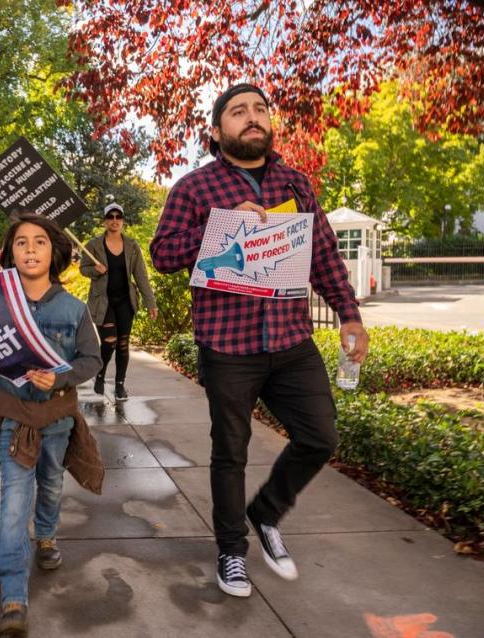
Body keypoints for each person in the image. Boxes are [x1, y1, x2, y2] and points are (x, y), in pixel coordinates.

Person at [150, 83, 369, 598]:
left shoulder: (297, 183)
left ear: (270, 123)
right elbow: (162, 255)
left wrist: (349, 315)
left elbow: (324, 256)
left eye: (260, 110)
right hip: (228, 346)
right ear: (216, 130)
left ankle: (265, 511)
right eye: (238, 111)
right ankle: (231, 552)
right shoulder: (195, 189)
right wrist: (221, 229)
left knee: (320, 437)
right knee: (231, 452)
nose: (252, 118)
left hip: (292, 341)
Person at [0, 214, 104, 638]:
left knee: (52, 484)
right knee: (13, 503)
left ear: (54, 252)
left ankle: (46, 536)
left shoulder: (74, 309)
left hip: (57, 419)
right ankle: (12, 596)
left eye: (39, 242)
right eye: (20, 243)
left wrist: (59, 377)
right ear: (9, 255)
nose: (30, 249)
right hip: (12, 419)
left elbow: (91, 360)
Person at [80, 201, 158, 400]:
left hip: (125, 301)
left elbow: (141, 276)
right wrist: (95, 271)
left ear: (122, 220)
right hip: (103, 302)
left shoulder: (132, 246)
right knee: (109, 343)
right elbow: (83, 268)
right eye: (111, 217)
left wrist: (151, 303)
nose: (115, 220)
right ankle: (100, 374)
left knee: (123, 344)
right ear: (105, 221)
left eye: (118, 217)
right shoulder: (93, 245)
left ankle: (120, 384)